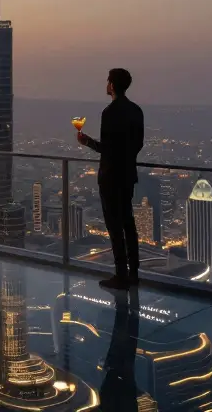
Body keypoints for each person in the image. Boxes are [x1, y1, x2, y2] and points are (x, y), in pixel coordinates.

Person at [77, 68, 144, 290]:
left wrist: (87, 142)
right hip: (127, 175)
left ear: (112, 85)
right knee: (129, 224)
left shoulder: (109, 113)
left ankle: (120, 275)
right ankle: (134, 273)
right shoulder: (137, 111)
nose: (106, 84)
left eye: (108, 81)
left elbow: (107, 149)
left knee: (115, 228)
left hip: (110, 177)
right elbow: (138, 145)